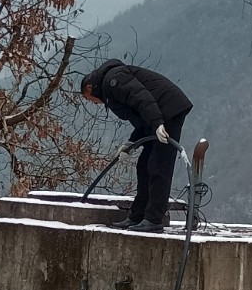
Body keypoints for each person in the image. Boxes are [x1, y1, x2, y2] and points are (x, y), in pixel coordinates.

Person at [80, 60, 193, 233]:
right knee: (144, 166)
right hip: (157, 116)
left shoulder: (114, 80)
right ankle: (138, 216)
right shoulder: (110, 87)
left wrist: (157, 123)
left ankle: (154, 219)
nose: (94, 103)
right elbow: (140, 117)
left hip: (168, 111)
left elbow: (142, 99)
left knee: (159, 165)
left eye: (89, 99)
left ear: (89, 88)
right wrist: (131, 143)